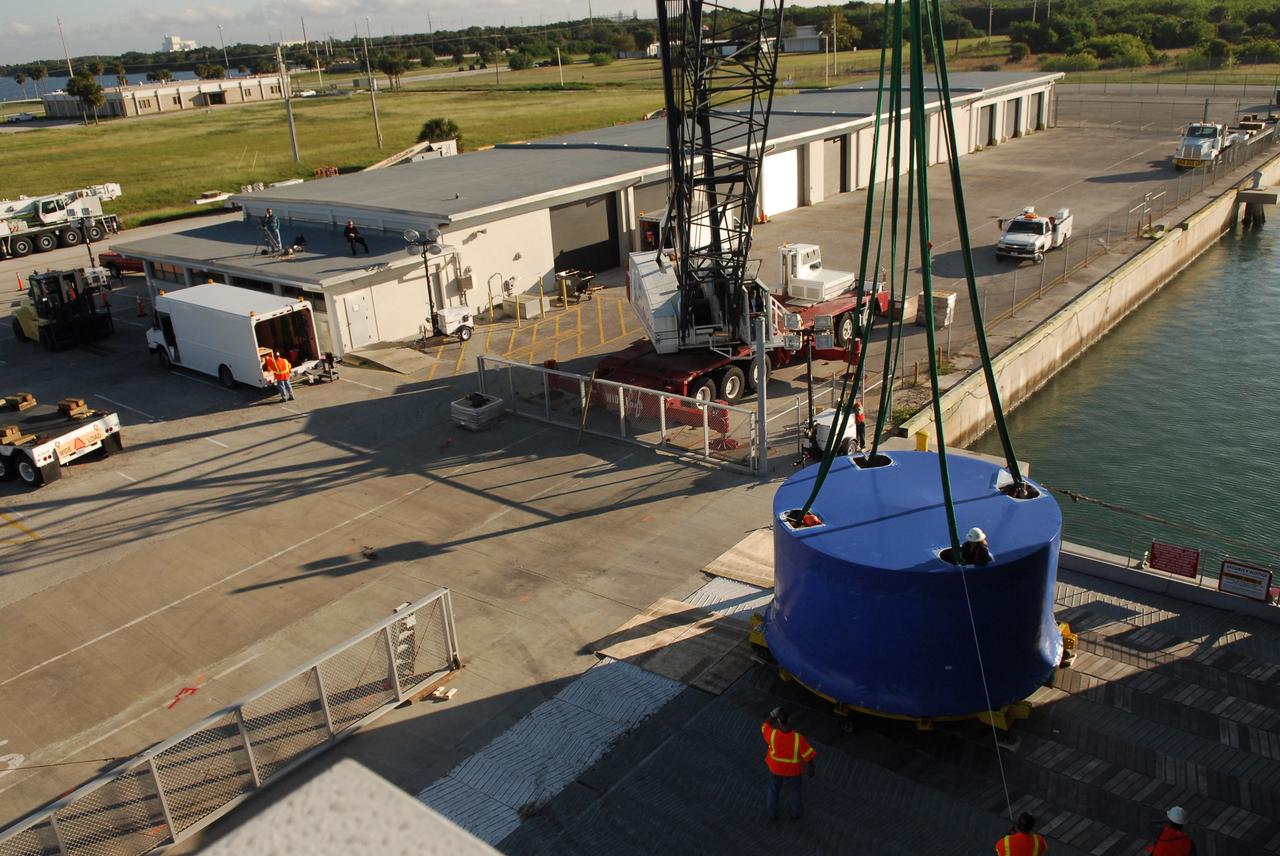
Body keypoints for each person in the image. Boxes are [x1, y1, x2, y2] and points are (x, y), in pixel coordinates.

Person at [761, 707, 816, 821]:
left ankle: (772, 814)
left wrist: (772, 715)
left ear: (779, 722)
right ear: (790, 721)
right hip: (793, 771)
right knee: (794, 791)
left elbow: (764, 725)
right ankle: (795, 814)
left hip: (775, 769)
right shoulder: (798, 739)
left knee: (773, 790)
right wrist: (811, 768)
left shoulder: (772, 735)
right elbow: (808, 755)